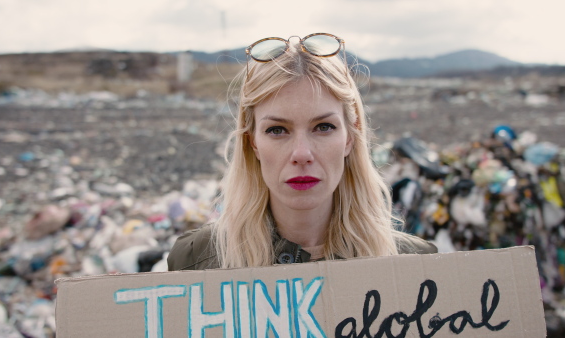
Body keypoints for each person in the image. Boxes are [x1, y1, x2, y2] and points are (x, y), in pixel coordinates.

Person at [168, 33, 436, 271]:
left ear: (350, 137)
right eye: (277, 130)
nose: (302, 153)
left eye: (323, 127)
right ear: (253, 143)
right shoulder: (195, 260)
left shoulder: (416, 265)